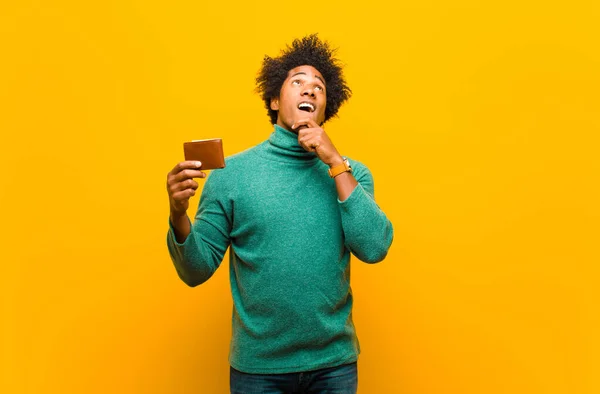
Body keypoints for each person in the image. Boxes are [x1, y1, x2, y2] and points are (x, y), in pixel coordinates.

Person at [166, 35, 393, 394]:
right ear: (274, 99)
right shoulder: (231, 175)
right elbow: (196, 270)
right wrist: (178, 213)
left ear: (325, 108)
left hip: (334, 366)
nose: (310, 90)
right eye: (298, 82)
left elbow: (375, 247)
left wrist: (335, 162)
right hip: (259, 370)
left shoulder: (351, 174)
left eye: (318, 87)